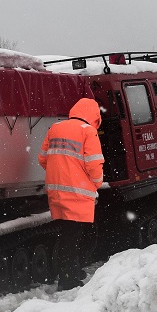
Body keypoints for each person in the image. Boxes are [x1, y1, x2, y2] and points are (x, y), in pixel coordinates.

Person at [38, 97, 104, 287]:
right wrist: (97, 182)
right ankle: (68, 279)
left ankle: (72, 272)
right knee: (79, 237)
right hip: (78, 194)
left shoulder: (56, 128)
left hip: (57, 191)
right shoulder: (88, 132)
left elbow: (42, 159)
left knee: (69, 236)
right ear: (94, 116)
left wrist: (60, 173)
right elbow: (93, 164)